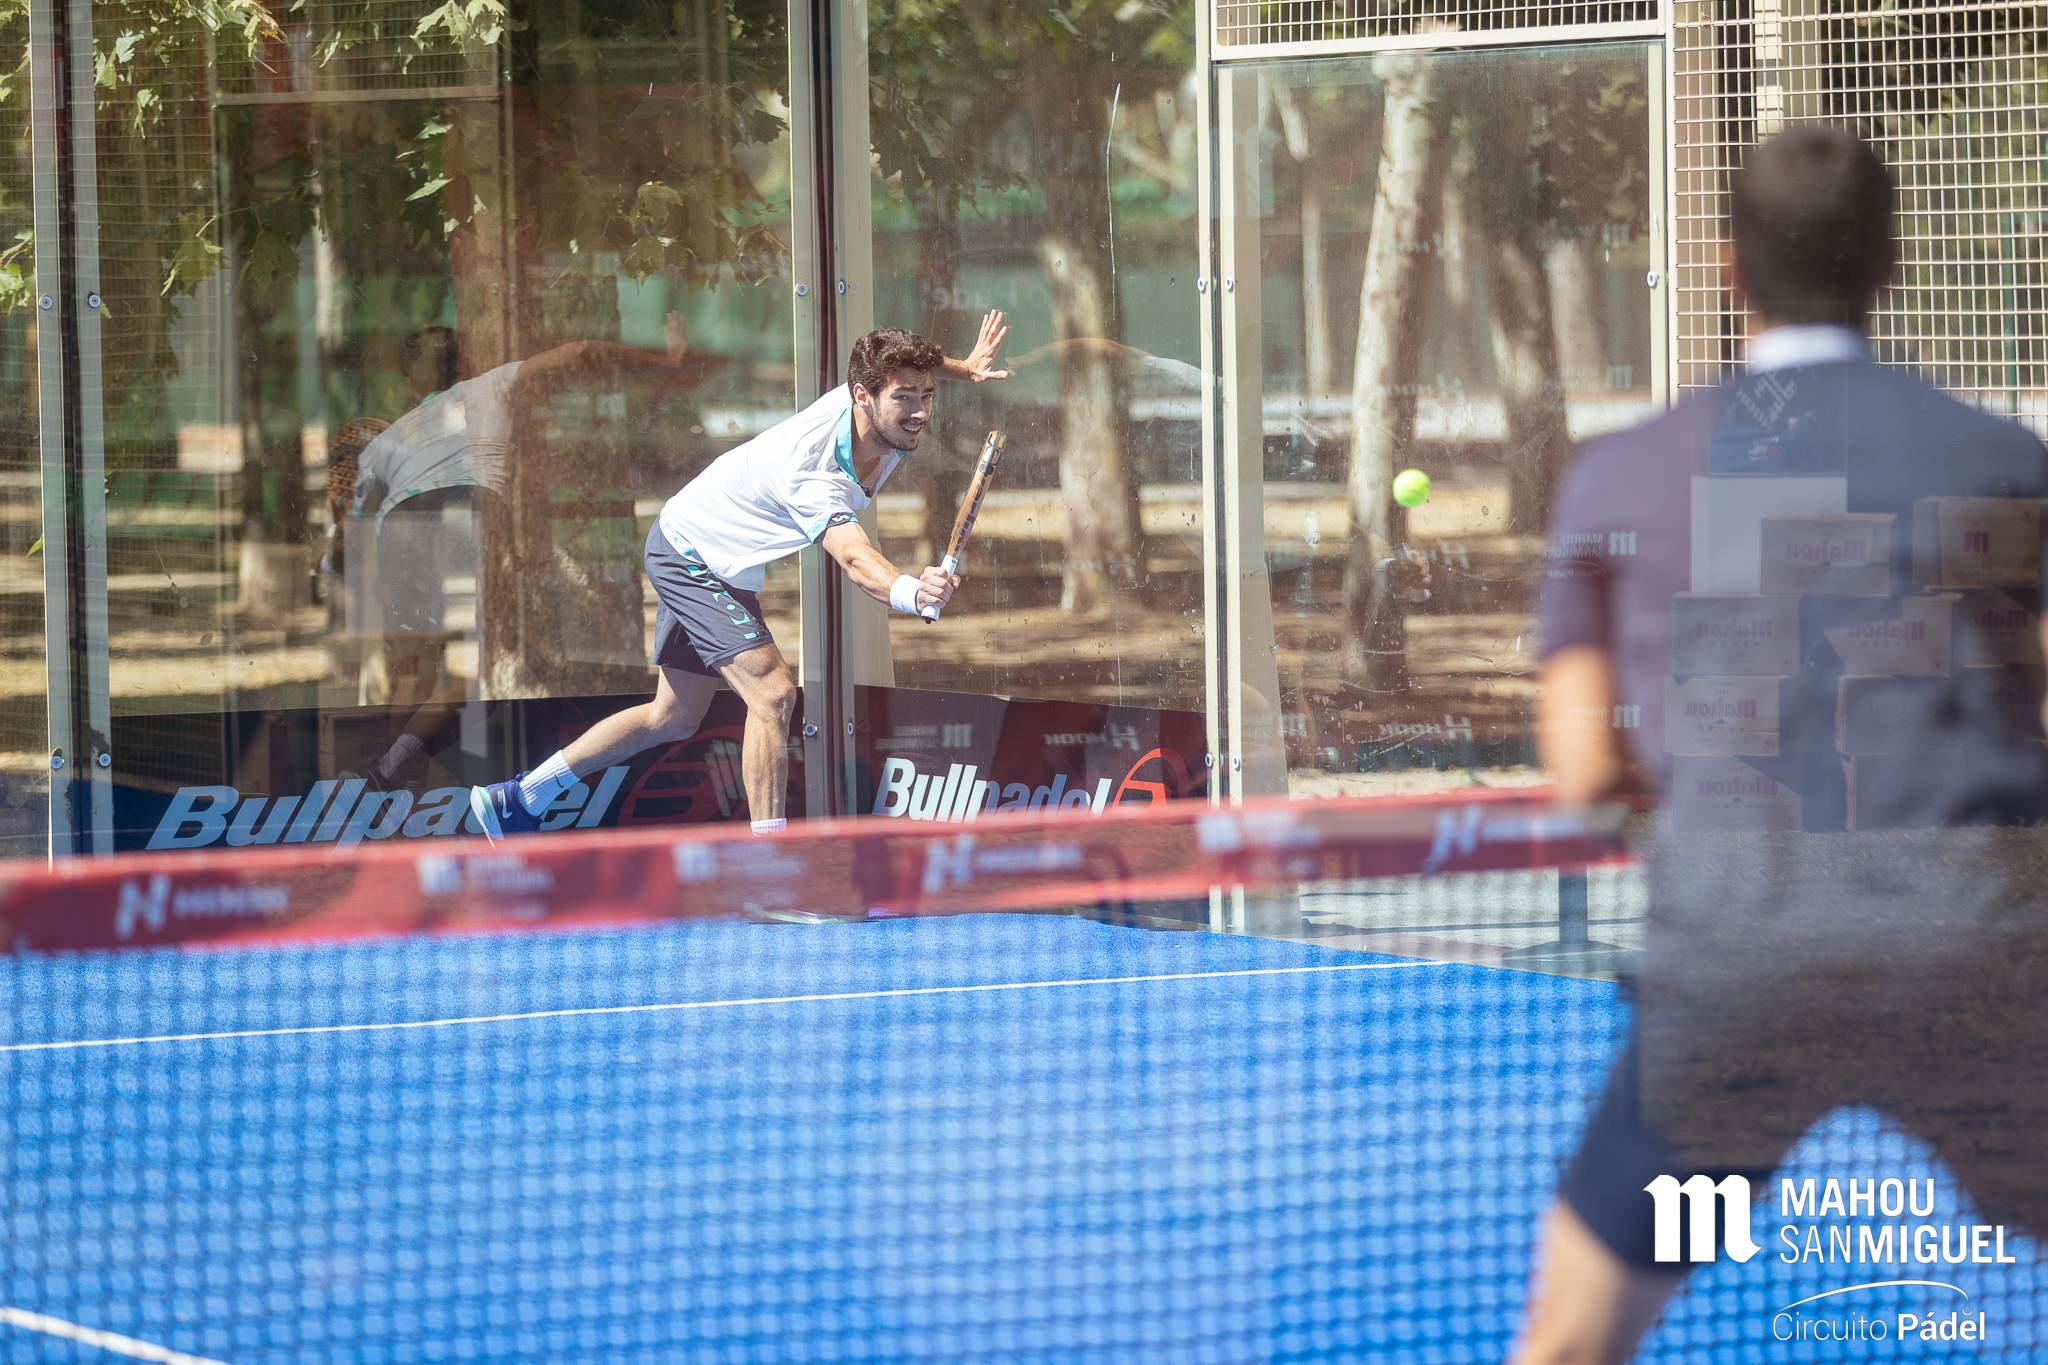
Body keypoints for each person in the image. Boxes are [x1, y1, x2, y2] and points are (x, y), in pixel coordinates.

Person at [1513, 127, 2048, 1363]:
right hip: (1973, 969)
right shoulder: (2005, 462)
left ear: (1725, 269)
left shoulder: (1617, 476)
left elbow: (1583, 772)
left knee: (1574, 1336)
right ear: (1890, 263)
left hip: (1732, 982)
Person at [468, 312, 1012, 843]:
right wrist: (910, 592)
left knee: (673, 717)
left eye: (926, 396)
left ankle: (518, 798)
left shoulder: (868, 407)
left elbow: (902, 363)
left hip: (706, 547)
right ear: (862, 396)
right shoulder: (813, 473)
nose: (919, 412)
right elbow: (853, 557)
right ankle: (767, 864)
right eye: (905, 399)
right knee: (773, 696)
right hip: (692, 554)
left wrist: (964, 369)